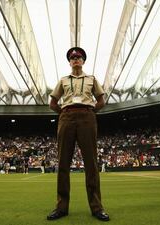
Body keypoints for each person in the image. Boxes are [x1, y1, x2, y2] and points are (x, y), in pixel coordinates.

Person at [47, 47, 109, 221]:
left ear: (83, 61)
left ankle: (97, 208)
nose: (75, 59)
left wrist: (90, 112)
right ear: (69, 61)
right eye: (73, 57)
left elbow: (102, 100)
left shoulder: (92, 79)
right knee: (63, 163)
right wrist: (63, 113)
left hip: (87, 116)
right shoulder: (63, 80)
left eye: (79, 57)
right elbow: (52, 103)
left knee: (91, 163)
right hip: (66, 116)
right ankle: (61, 207)